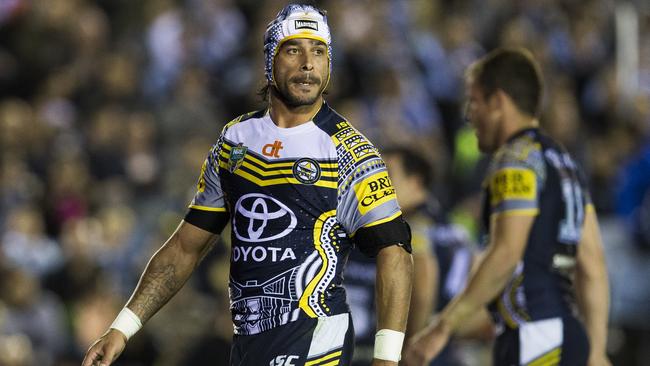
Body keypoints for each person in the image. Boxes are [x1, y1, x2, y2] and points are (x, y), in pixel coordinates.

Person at [82, 4, 413, 366]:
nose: (308, 63)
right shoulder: (234, 142)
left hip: (316, 343)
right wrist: (122, 327)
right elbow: (184, 248)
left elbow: (395, 252)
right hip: (247, 347)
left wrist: (387, 359)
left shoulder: (350, 151)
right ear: (270, 60)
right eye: (293, 50)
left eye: (319, 51)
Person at [404, 48, 611, 366]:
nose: (469, 114)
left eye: (474, 101)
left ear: (498, 101)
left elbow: (506, 252)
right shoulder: (566, 164)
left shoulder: (516, 160)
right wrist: (596, 351)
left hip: (532, 337)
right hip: (569, 337)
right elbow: (593, 265)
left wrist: (442, 327)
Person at [345, 146, 481, 366]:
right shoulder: (455, 231)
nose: (374, 185)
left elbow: (424, 279)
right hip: (445, 350)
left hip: (413, 353)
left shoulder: (410, 230)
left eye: (387, 176)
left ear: (415, 181)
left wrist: (402, 348)